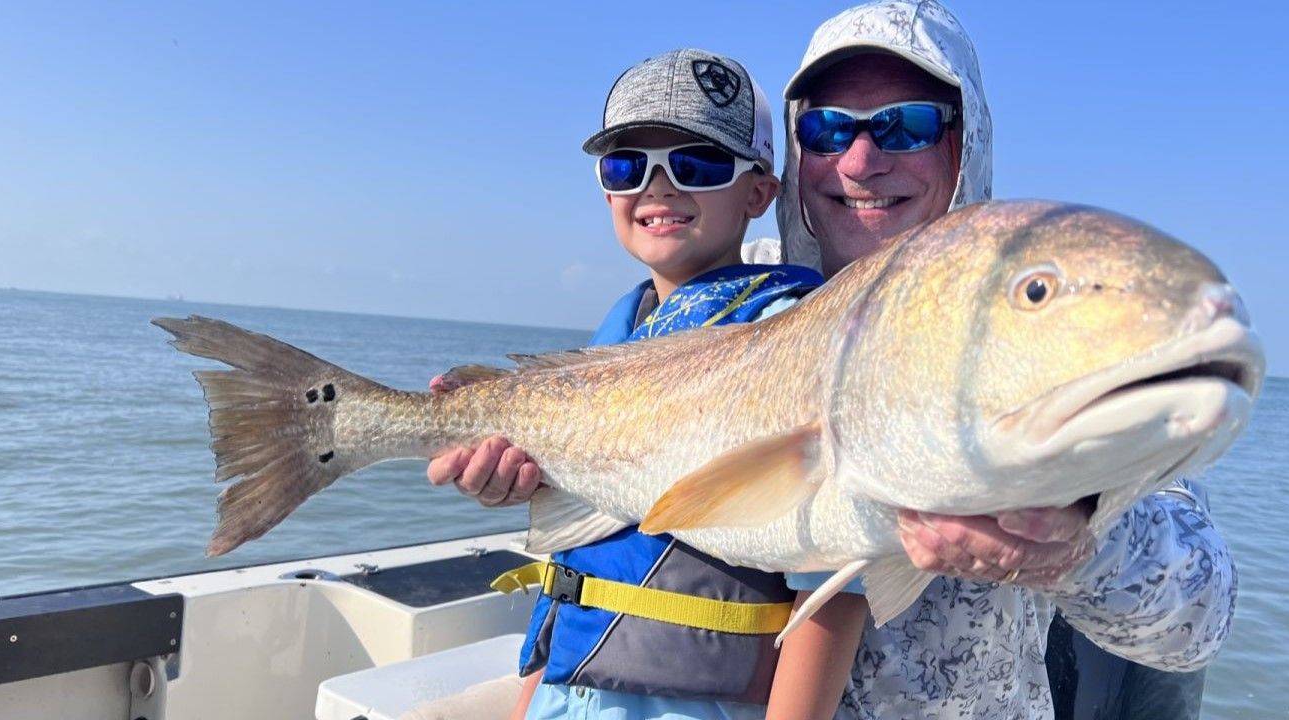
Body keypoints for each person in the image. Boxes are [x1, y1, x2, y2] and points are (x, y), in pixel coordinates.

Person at [432, 3, 1236, 719]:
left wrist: (1083, 544)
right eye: (826, 130)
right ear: (792, 153)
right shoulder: (727, 289)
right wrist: (543, 473)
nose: (858, 161)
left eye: (904, 126)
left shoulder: (1033, 310)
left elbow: (1195, 624)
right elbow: (624, 438)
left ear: (967, 142)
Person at [469, 48, 824, 720]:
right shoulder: (622, 339)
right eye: (628, 166)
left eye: (696, 164)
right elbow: (574, 580)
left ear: (759, 192)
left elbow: (833, 578)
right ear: (607, 191)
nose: (656, 188)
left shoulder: (784, 337)